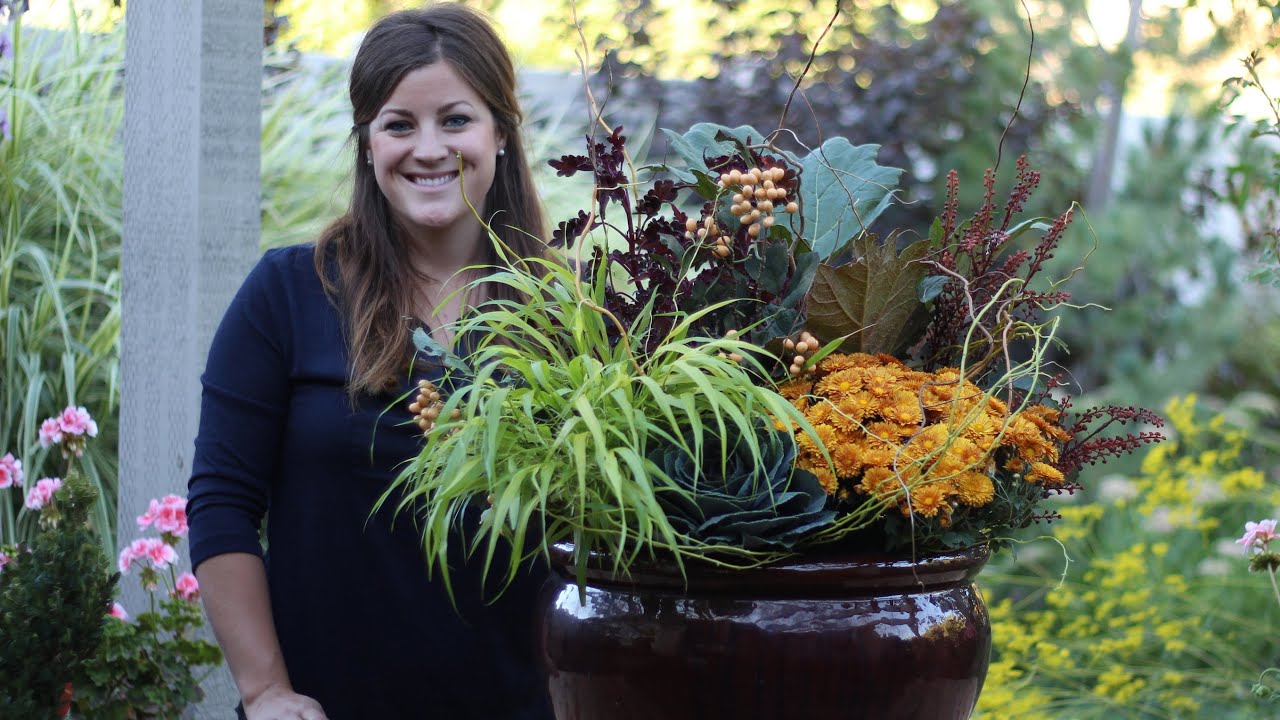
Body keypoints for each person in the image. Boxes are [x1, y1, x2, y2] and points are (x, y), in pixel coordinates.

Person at [186, 5, 554, 719]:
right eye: (398, 124)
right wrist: (266, 692)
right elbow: (224, 503)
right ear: (366, 143)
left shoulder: (563, 317)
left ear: (500, 133)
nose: (428, 148)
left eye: (455, 120)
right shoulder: (288, 294)